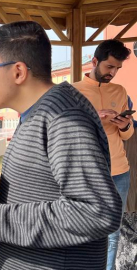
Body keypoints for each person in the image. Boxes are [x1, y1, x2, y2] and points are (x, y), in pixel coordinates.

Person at [0, 21, 123, 270]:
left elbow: (97, 212)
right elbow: (38, 191)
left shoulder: (64, 117)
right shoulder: (39, 113)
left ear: (18, 72)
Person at [72, 40, 133, 270]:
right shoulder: (72, 91)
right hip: (86, 173)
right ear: (94, 61)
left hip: (119, 173)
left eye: (117, 68)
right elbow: (68, 131)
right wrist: (95, 116)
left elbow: (126, 136)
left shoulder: (120, 91)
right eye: (109, 67)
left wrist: (125, 124)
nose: (113, 73)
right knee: (84, 229)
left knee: (113, 232)